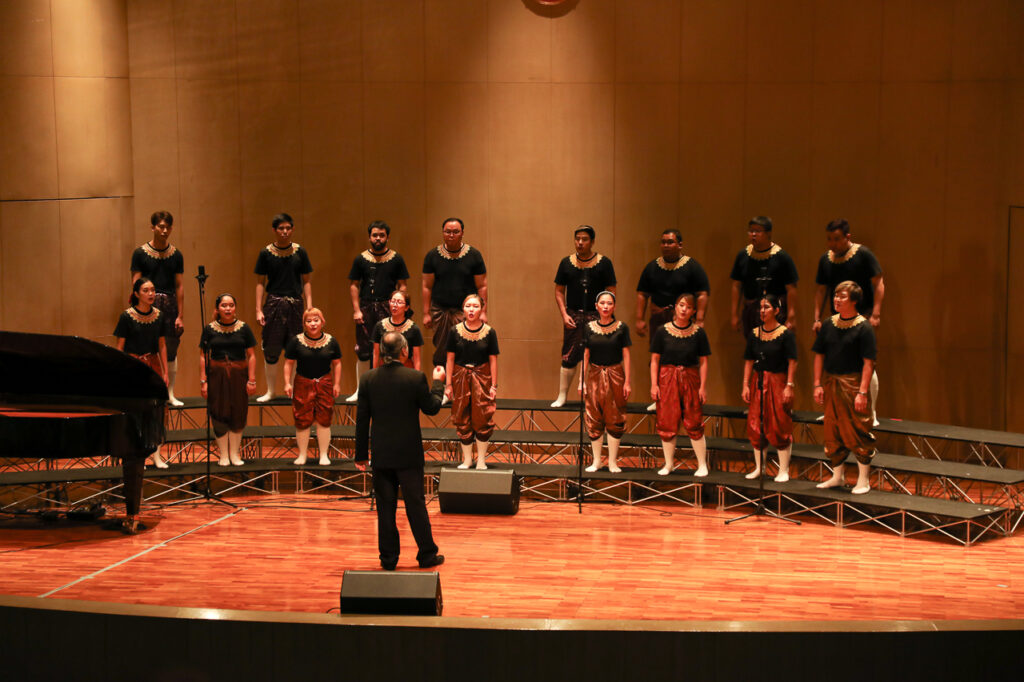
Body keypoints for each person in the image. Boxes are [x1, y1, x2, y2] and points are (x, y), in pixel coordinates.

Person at [355, 332, 446, 570]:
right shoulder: (415, 377)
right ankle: (426, 554)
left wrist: (361, 455)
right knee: (415, 505)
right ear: (404, 351)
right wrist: (438, 383)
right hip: (408, 454)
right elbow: (431, 408)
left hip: (382, 454)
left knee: (385, 508)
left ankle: (388, 559)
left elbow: (362, 420)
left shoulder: (368, 379)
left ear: (382, 352)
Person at [813, 218, 884, 425]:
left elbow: (879, 283)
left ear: (847, 237)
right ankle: (832, 409)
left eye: (836, 239)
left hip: (862, 316)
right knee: (834, 363)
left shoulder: (863, 254)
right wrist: (817, 318)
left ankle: (871, 411)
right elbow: (821, 290)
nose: (832, 244)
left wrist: (876, 313)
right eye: (829, 239)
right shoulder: (826, 259)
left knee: (866, 363)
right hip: (837, 319)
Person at [812, 281, 877, 494]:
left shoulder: (864, 327)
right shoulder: (828, 324)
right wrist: (817, 384)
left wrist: (862, 392)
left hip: (853, 383)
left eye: (842, 296)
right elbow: (819, 355)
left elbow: (868, 363)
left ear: (854, 301)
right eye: (836, 295)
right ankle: (837, 476)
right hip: (831, 382)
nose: (836, 300)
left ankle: (863, 480)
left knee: (857, 429)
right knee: (832, 429)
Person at [635, 229, 710, 411]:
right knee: (658, 358)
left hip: (685, 321)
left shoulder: (692, 267)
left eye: (670, 242)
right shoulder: (652, 267)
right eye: (663, 242)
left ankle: (686, 399)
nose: (666, 245)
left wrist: (700, 318)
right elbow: (642, 294)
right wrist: (639, 318)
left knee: (685, 358)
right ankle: (659, 398)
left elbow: (702, 293)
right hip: (659, 319)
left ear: (680, 245)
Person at [551, 225, 617, 407]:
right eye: (577, 239)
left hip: (597, 316)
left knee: (598, 357)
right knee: (569, 355)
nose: (580, 242)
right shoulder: (566, 263)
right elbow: (559, 290)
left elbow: (611, 290)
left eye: (585, 239)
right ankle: (562, 395)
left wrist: (606, 315)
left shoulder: (604, 263)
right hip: (573, 315)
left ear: (592, 241)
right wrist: (564, 314)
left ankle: (598, 397)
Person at [346, 220, 409, 402]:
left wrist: (398, 307)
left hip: (388, 308)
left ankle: (388, 389)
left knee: (390, 349)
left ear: (387, 237)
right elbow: (354, 285)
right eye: (375, 235)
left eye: (382, 235)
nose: (378, 238)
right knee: (363, 350)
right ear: (369, 237)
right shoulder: (361, 259)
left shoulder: (396, 259)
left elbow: (403, 285)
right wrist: (356, 310)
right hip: (366, 307)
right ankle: (361, 389)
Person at [254, 212, 313, 402]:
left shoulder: (300, 252)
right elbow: (260, 283)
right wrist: (258, 309)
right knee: (271, 347)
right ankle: (271, 391)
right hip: (274, 302)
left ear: (292, 229)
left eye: (288, 228)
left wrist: (310, 307)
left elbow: (306, 281)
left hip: (296, 303)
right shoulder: (266, 253)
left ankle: (294, 390)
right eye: (281, 228)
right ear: (274, 230)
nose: (285, 231)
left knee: (295, 347)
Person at [649, 294, 709, 476]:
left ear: (693, 311)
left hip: (690, 377)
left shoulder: (698, 333)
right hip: (667, 378)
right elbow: (655, 360)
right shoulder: (662, 331)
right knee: (667, 420)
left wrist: (703, 387)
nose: (684, 309)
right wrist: (654, 385)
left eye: (689, 307)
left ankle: (702, 465)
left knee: (694, 420)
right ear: (675, 306)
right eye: (681, 305)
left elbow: (703, 361)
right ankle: (668, 464)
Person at [131, 210, 185, 406]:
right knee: (145, 350)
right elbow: (135, 282)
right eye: (161, 227)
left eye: (168, 227)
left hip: (169, 305)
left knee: (170, 349)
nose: (164, 231)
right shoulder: (140, 253)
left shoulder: (176, 255)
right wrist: (137, 308)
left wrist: (180, 315)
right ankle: (146, 393)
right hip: (146, 304)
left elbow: (179, 285)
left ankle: (169, 393)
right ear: (152, 227)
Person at [741, 294, 797, 482]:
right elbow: (749, 361)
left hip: (778, 381)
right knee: (756, 424)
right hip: (758, 381)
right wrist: (745, 385)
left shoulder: (786, 334)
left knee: (780, 423)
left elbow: (792, 361)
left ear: (776, 310)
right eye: (760, 307)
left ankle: (783, 470)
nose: (762, 311)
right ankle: (760, 467)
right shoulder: (754, 334)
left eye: (766, 307)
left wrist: (789, 385)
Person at [114, 277, 169, 469]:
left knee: (155, 411)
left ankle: (157, 455)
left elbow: (162, 345)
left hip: (153, 365)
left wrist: (165, 372)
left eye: (152, 290)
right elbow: (120, 347)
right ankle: (137, 456)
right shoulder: (126, 317)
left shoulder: (159, 316)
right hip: (133, 366)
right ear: (136, 294)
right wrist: (120, 372)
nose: (151, 293)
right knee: (135, 412)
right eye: (146, 290)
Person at [199, 293, 258, 466]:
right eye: (224, 305)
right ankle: (224, 455)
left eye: (231, 305)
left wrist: (252, 380)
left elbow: (252, 355)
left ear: (235, 308)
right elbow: (203, 356)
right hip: (216, 376)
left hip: (239, 376)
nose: (228, 308)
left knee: (238, 411)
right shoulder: (209, 329)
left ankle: (234, 454)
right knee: (218, 412)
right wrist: (203, 381)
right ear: (217, 309)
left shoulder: (244, 328)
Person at [422, 217, 487, 372]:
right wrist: (426, 313)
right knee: (441, 351)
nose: (451, 235)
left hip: (466, 312)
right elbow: (427, 286)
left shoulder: (474, 255)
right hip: (440, 310)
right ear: (443, 233)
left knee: (464, 349)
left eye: (455, 232)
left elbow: (482, 286)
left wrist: (483, 312)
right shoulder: (432, 256)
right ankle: (441, 384)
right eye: (448, 232)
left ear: (462, 233)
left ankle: (461, 384)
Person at [445, 294, 499, 470]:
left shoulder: (490, 332)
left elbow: (493, 361)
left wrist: (494, 386)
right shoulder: (454, 331)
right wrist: (448, 384)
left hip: (482, 378)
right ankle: (467, 460)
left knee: (482, 417)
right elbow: (450, 359)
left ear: (481, 309)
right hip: (460, 377)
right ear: (463, 308)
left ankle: (481, 460)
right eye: (468, 306)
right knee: (462, 417)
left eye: (475, 306)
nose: (471, 309)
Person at [282, 308, 342, 466]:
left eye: (316, 320)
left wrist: (337, 384)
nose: (313, 324)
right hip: (303, 383)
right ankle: (302, 455)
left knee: (324, 419)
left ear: (322, 322)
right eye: (309, 321)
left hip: (325, 383)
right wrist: (287, 383)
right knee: (302, 419)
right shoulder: (296, 341)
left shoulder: (331, 341)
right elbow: (288, 363)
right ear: (304, 324)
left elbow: (337, 363)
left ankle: (324, 455)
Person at [580, 291, 631, 473]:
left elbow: (626, 355)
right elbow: (586, 355)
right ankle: (596, 461)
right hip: (594, 374)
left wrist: (627, 382)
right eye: (602, 303)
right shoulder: (589, 328)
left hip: (615, 374)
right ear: (596, 306)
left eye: (609, 303)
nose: (605, 306)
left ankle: (612, 462)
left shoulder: (621, 328)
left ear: (614, 306)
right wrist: (581, 381)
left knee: (615, 416)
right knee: (594, 416)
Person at [729, 216, 798, 337]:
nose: (753, 234)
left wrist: (791, 315)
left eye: (758, 231)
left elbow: (791, 288)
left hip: (776, 314)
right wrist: (734, 314)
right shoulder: (743, 256)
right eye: (751, 231)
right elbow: (736, 285)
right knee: (752, 345)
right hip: (751, 311)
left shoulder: (782, 257)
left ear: (768, 233)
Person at [371, 289, 423, 370]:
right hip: (384, 369)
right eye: (393, 301)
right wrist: (374, 373)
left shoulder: (414, 328)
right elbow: (376, 354)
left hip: (406, 369)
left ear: (406, 307)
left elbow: (417, 358)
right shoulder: (379, 326)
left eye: (399, 302)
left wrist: (417, 376)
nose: (395, 305)